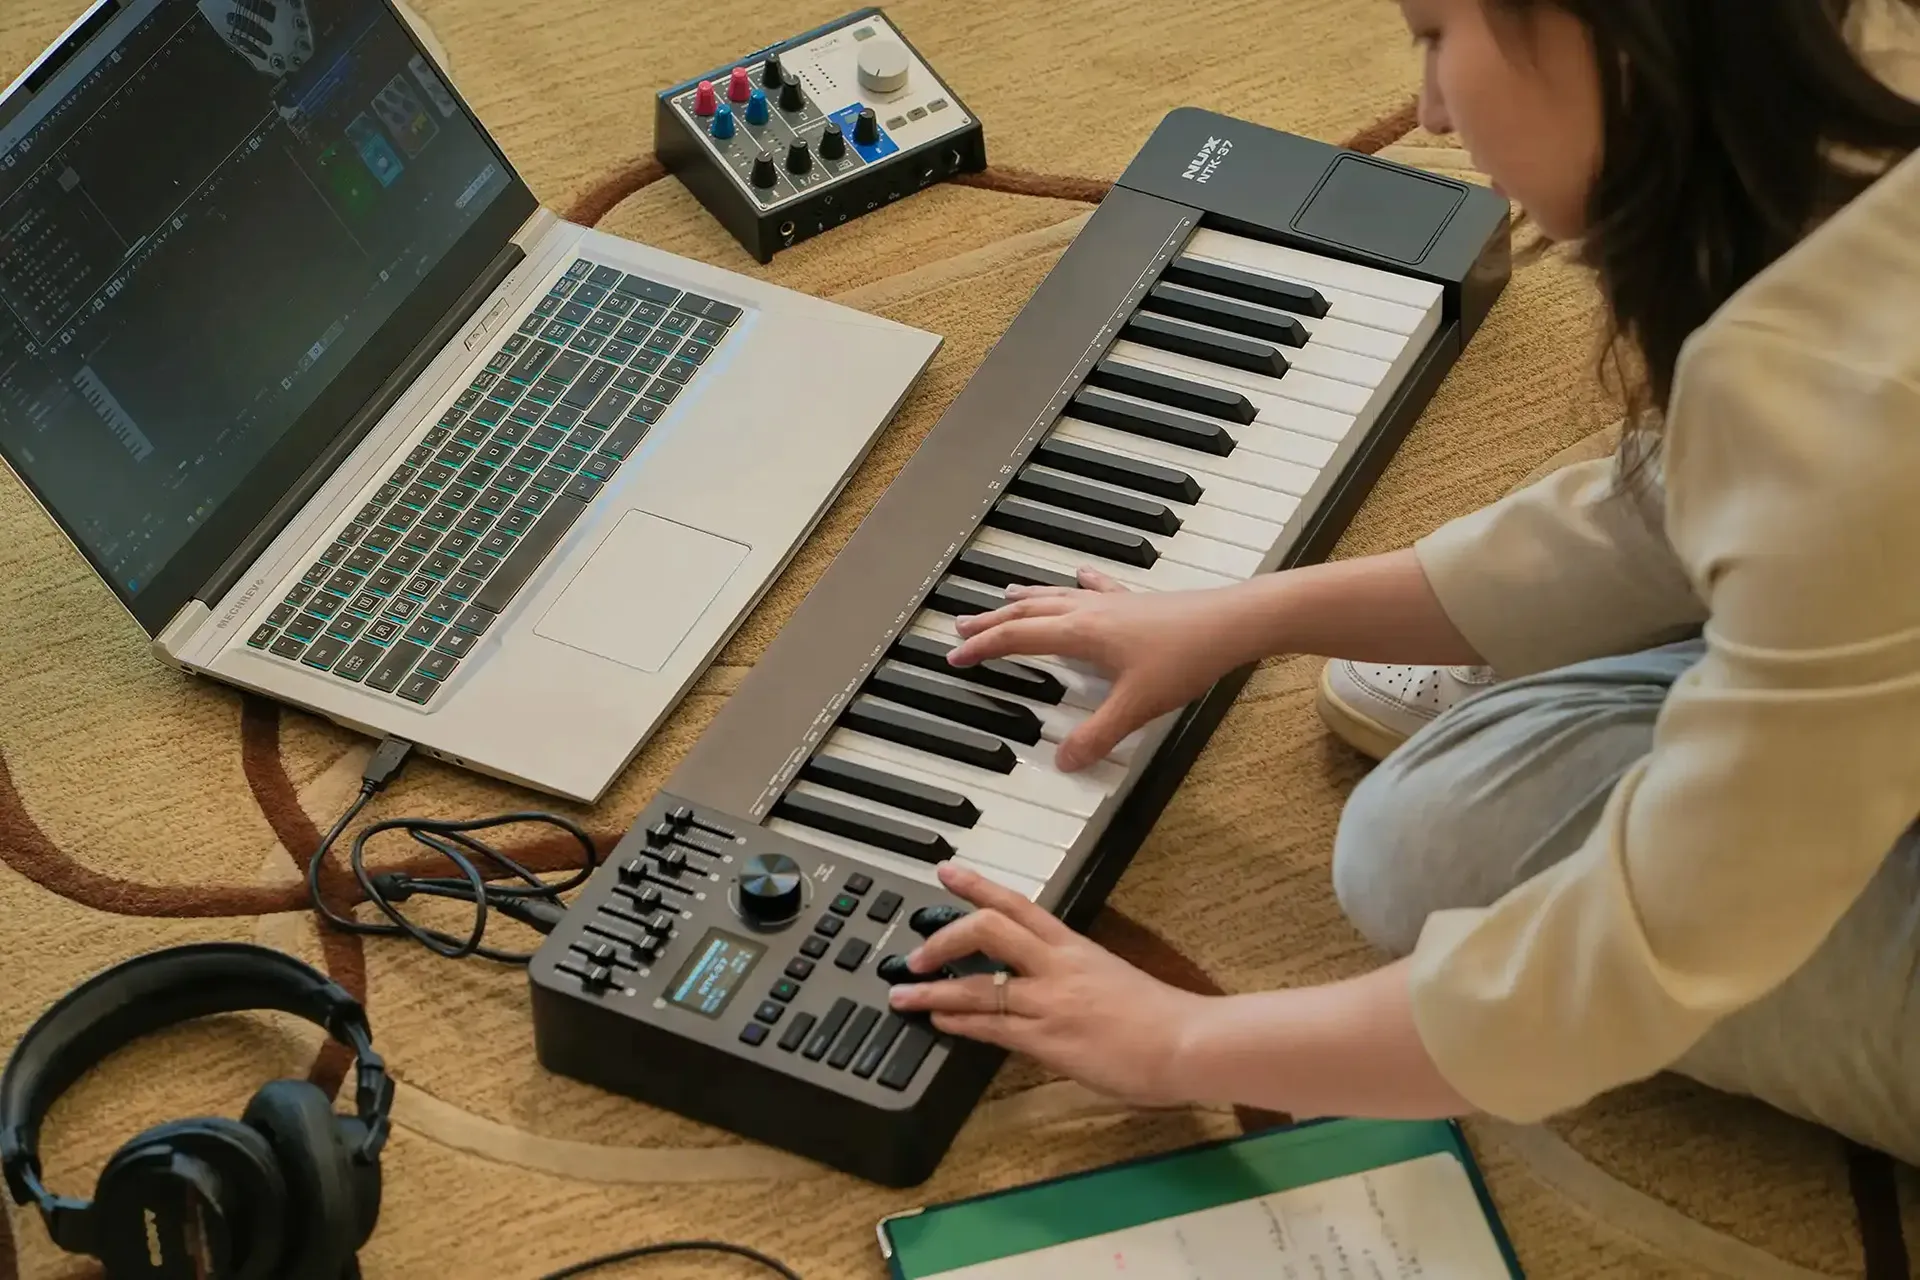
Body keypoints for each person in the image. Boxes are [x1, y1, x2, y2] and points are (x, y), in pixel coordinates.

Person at [885, 0, 1920, 1168]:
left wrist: (1177, 1037)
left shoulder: (1828, 380)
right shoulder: (1867, 64)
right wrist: (1245, 614)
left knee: (1421, 840)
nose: (1428, 111)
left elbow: (1635, 957)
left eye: (1436, 35)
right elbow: (1686, 500)